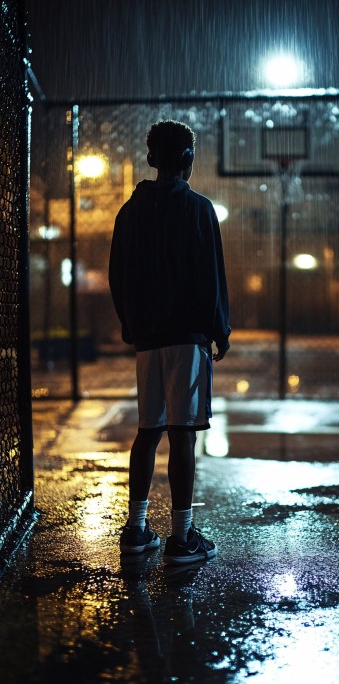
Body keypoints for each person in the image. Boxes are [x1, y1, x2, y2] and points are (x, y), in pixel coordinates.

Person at [109, 119, 231, 564]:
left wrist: (130, 323)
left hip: (148, 338)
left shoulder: (130, 212)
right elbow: (212, 276)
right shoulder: (199, 209)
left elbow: (117, 275)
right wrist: (220, 329)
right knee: (183, 435)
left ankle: (137, 529)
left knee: (148, 431)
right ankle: (182, 537)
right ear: (187, 159)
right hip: (186, 338)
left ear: (150, 159)